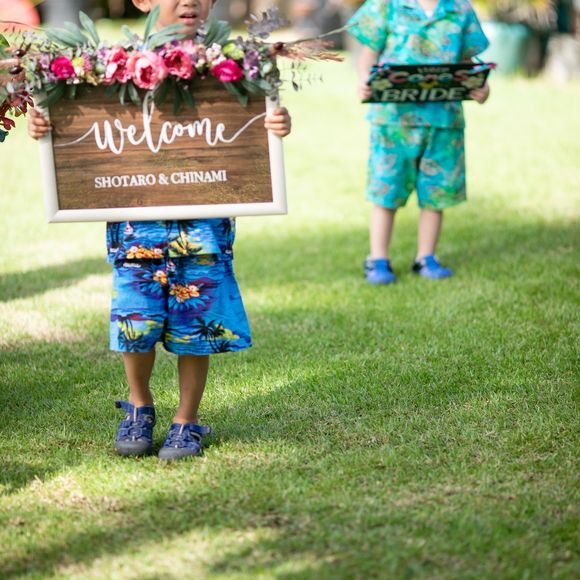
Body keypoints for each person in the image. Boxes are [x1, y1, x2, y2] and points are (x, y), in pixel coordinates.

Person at [28, 0, 292, 460]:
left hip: (203, 227)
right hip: (137, 228)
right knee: (136, 321)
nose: (188, 0)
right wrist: (48, 125)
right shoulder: (110, 65)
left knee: (197, 326)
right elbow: (80, 121)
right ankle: (139, 404)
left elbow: (252, 123)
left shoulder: (232, 64)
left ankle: (186, 420)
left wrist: (276, 123)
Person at [348, 0, 490, 284]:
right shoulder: (387, 5)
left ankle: (426, 257)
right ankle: (378, 259)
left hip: (443, 119)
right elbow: (368, 54)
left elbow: (467, 62)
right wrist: (364, 80)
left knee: (436, 191)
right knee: (387, 188)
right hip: (393, 120)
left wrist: (482, 88)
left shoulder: (460, 9)